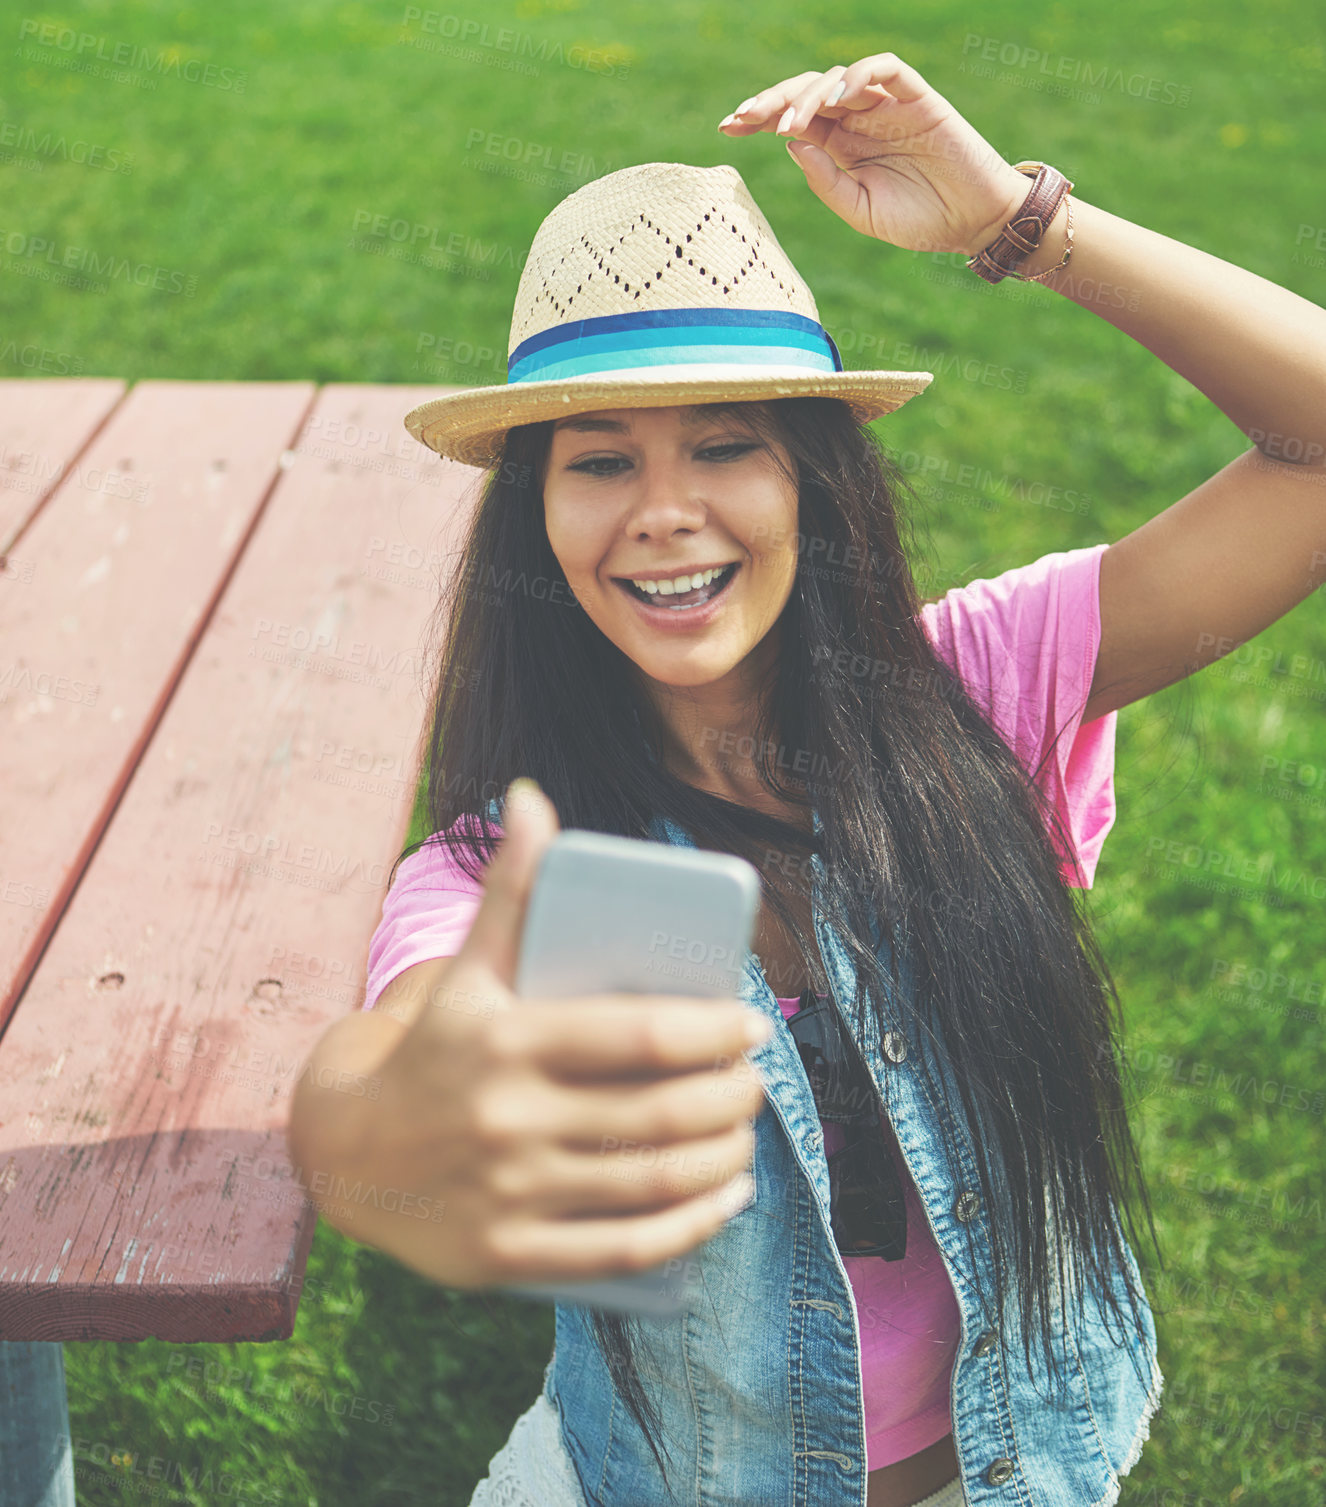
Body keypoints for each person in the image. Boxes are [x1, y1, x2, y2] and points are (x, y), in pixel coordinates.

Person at [286, 51, 1326, 1507]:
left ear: (812, 481)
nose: (665, 513)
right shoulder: (513, 875)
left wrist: (1013, 222)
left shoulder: (972, 686)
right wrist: (395, 1139)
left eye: (725, 446)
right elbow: (377, 1106)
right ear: (536, 518)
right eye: (598, 462)